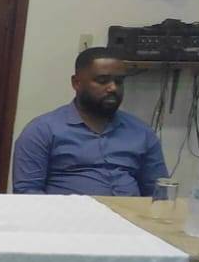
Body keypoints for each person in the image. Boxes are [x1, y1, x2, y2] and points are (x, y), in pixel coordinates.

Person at [11, 46, 167, 196]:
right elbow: (27, 192)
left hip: (130, 212)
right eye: (102, 80)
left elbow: (158, 191)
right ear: (76, 83)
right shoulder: (42, 131)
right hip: (69, 213)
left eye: (119, 81)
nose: (113, 88)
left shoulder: (141, 132)